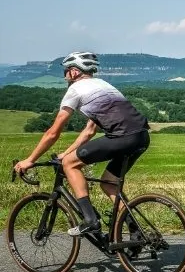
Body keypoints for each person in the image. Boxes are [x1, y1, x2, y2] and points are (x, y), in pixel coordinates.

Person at [14, 52, 151, 236]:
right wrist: (66, 153)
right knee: (109, 183)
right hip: (142, 136)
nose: (64, 76)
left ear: (74, 72)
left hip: (121, 137)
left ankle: (90, 220)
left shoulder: (75, 90)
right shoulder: (104, 85)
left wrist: (30, 160)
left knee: (70, 164)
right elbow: (89, 131)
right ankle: (136, 233)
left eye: (66, 71)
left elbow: (53, 132)